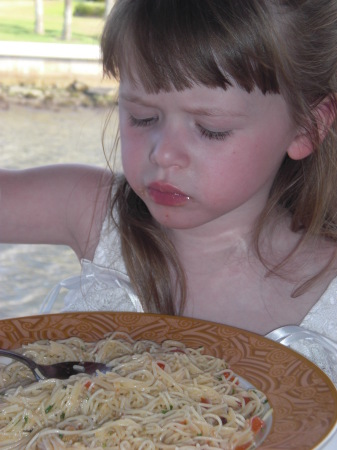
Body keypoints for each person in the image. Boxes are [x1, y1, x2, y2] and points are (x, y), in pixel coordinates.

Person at [1, 0, 337, 382]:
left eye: (211, 128)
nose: (163, 153)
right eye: (142, 117)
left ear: (307, 127)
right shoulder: (93, 212)